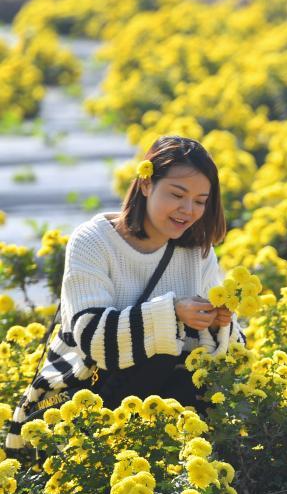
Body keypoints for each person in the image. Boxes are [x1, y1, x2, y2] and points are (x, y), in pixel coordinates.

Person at [5, 136, 242, 449]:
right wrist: (173, 313)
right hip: (83, 394)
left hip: (163, 395)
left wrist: (218, 324)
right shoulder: (93, 241)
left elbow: (229, 353)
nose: (188, 210)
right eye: (177, 195)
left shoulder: (198, 252)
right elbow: (91, 339)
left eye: (200, 201)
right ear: (145, 184)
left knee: (192, 375)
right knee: (160, 354)